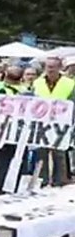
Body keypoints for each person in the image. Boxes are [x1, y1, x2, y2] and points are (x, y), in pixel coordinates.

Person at [31, 56, 74, 187]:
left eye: (53, 67)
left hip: (61, 123)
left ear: (60, 68)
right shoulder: (37, 83)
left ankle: (59, 181)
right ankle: (42, 181)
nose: (50, 70)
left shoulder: (70, 83)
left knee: (59, 154)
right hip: (41, 123)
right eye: (48, 67)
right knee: (41, 153)